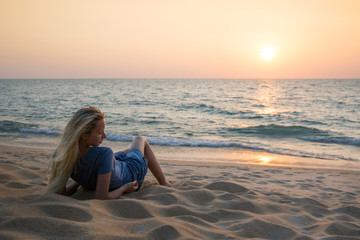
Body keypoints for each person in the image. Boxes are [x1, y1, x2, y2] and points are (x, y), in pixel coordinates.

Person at [47, 105, 170, 199]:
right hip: (132, 170)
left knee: (121, 154)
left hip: (114, 165)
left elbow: (64, 192)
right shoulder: (103, 154)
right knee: (140, 139)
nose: (104, 136)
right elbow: (102, 198)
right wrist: (124, 188)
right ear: (84, 135)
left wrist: (78, 182)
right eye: (100, 132)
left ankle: (128, 152)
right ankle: (164, 183)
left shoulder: (62, 155)